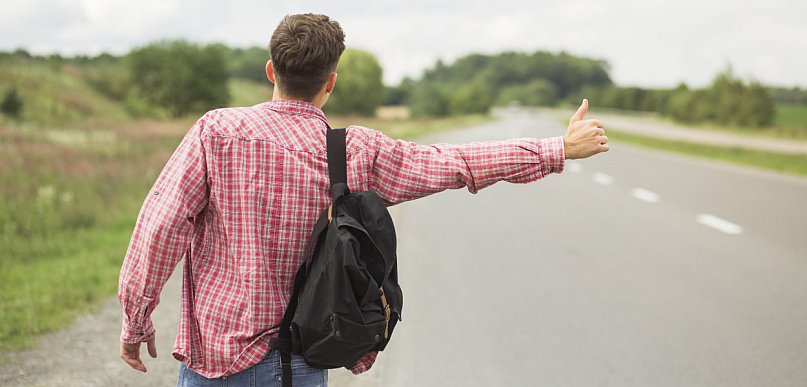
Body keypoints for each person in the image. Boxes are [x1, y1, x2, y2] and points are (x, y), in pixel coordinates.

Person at [118, 13, 609, 387]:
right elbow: (454, 163)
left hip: (218, 363)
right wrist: (557, 148)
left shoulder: (216, 132)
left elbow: (160, 228)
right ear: (330, 82)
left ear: (272, 70)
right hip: (307, 358)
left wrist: (136, 319)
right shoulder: (357, 151)